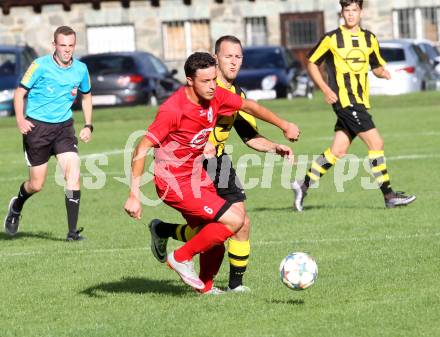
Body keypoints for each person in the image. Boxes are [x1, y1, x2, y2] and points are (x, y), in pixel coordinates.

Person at [124, 52, 299, 294]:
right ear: (189, 80)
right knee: (235, 220)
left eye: (213, 79)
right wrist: (134, 194)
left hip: (197, 177)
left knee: (215, 238)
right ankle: (180, 257)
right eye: (205, 81)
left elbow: (249, 105)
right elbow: (142, 147)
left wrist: (284, 125)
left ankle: (205, 289)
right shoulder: (173, 110)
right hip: (174, 182)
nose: (211, 86)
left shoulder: (216, 95)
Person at [291, 0, 416, 212]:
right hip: (344, 100)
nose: (350, 15)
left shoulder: (370, 39)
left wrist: (383, 73)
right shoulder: (331, 39)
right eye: (346, 11)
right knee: (376, 142)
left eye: (354, 10)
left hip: (360, 101)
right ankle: (389, 195)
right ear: (342, 13)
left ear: (361, 12)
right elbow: (312, 62)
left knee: (337, 151)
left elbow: (375, 66)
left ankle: (302, 185)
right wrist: (324, 88)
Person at [3, 26, 93, 240]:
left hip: (64, 128)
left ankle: (72, 233)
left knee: (73, 174)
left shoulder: (80, 69)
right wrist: (20, 120)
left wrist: (88, 124)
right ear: (54, 45)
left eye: (71, 46)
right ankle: (16, 206)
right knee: (36, 185)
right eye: (63, 45)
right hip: (37, 129)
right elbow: (19, 93)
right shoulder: (39, 65)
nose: (67, 50)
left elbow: (87, 96)